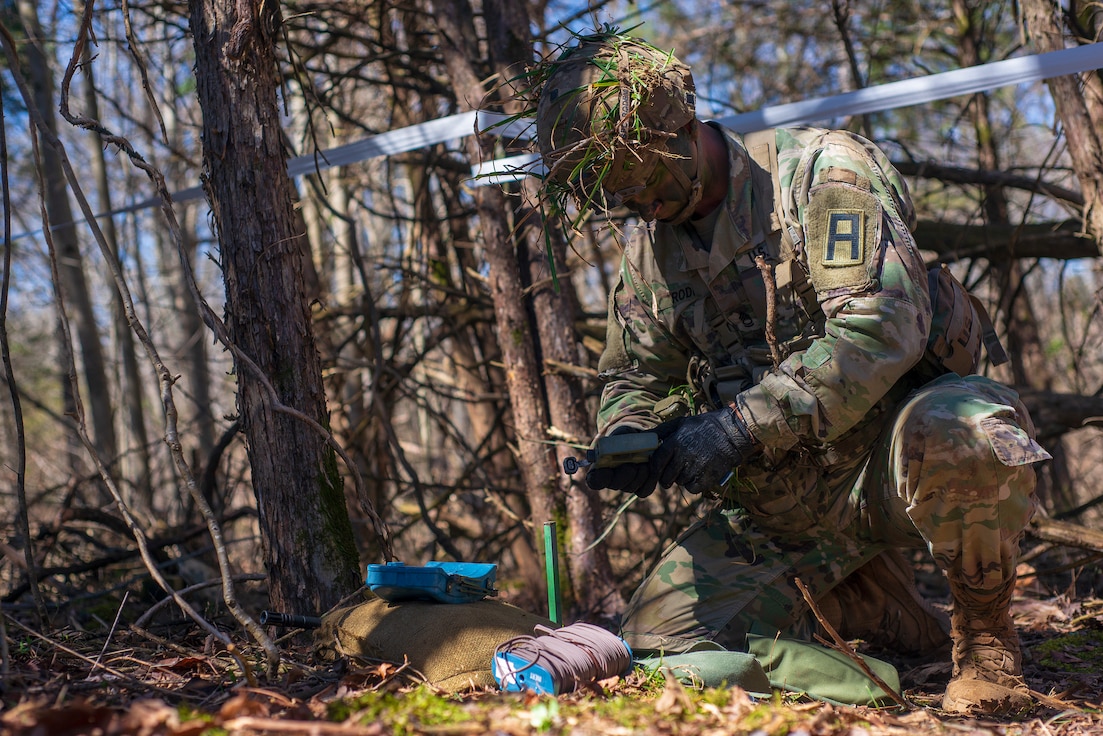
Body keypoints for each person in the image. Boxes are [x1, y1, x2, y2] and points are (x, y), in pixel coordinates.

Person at [531, 30, 1051, 716]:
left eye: (648, 181)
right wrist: (632, 439)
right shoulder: (647, 246)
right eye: (623, 196)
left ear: (684, 128)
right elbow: (634, 372)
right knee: (656, 646)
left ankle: (985, 642)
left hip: (887, 461)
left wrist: (734, 427)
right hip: (780, 501)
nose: (643, 207)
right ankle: (866, 602)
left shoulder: (820, 174)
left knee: (966, 430)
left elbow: (879, 328)